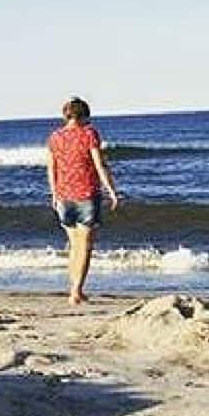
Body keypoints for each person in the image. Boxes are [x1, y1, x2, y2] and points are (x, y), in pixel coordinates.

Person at [45, 97, 120, 305]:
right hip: (86, 194)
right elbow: (99, 165)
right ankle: (76, 290)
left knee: (74, 245)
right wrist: (111, 190)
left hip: (63, 196)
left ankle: (74, 288)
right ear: (85, 115)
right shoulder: (89, 134)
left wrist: (54, 193)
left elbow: (51, 168)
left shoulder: (55, 137)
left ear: (66, 115)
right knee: (85, 245)